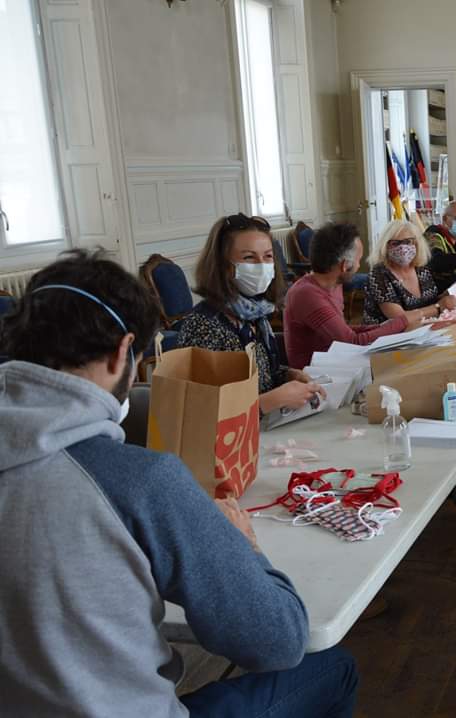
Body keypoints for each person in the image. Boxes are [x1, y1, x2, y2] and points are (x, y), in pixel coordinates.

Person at [0, 249, 358, 717]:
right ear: (124, 352)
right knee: (333, 667)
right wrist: (244, 545)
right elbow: (278, 640)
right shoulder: (139, 482)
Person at [177, 213, 325, 417]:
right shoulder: (204, 325)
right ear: (223, 266)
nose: (261, 265)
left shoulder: (255, 313)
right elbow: (204, 411)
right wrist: (272, 400)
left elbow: (262, 376)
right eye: (249, 257)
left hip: (265, 427)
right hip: (233, 435)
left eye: (268, 256)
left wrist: (288, 375)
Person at [284, 222, 417, 368]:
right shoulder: (306, 295)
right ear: (345, 265)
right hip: (313, 372)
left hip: (335, 358)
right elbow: (352, 342)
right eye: (358, 260)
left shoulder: (334, 283)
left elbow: (343, 331)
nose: (359, 265)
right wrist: (404, 320)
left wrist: (383, 326)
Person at [363, 219, 456, 325]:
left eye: (408, 242)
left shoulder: (421, 269)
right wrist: (438, 307)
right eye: (395, 243)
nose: (402, 248)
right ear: (385, 247)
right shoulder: (378, 275)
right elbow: (400, 319)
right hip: (388, 334)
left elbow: (426, 302)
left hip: (421, 330)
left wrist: (446, 296)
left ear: (417, 243)